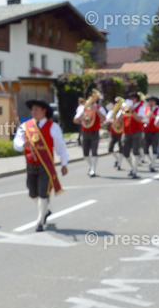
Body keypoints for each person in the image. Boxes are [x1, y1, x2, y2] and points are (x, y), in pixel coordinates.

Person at [14, 99, 69, 232]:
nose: (33, 112)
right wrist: (22, 145)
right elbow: (16, 142)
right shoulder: (25, 126)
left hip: (45, 166)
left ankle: (40, 221)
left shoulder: (53, 127)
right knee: (33, 193)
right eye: (32, 110)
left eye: (36, 110)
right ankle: (46, 209)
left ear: (44, 111)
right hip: (30, 165)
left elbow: (61, 146)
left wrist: (64, 163)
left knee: (43, 193)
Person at [73, 91, 105, 177]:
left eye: (94, 99)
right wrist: (82, 116)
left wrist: (97, 111)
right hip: (85, 132)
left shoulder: (99, 108)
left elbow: (103, 118)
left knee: (94, 151)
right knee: (85, 153)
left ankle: (93, 170)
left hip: (95, 132)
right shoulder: (83, 108)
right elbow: (75, 120)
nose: (92, 101)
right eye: (90, 98)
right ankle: (91, 166)